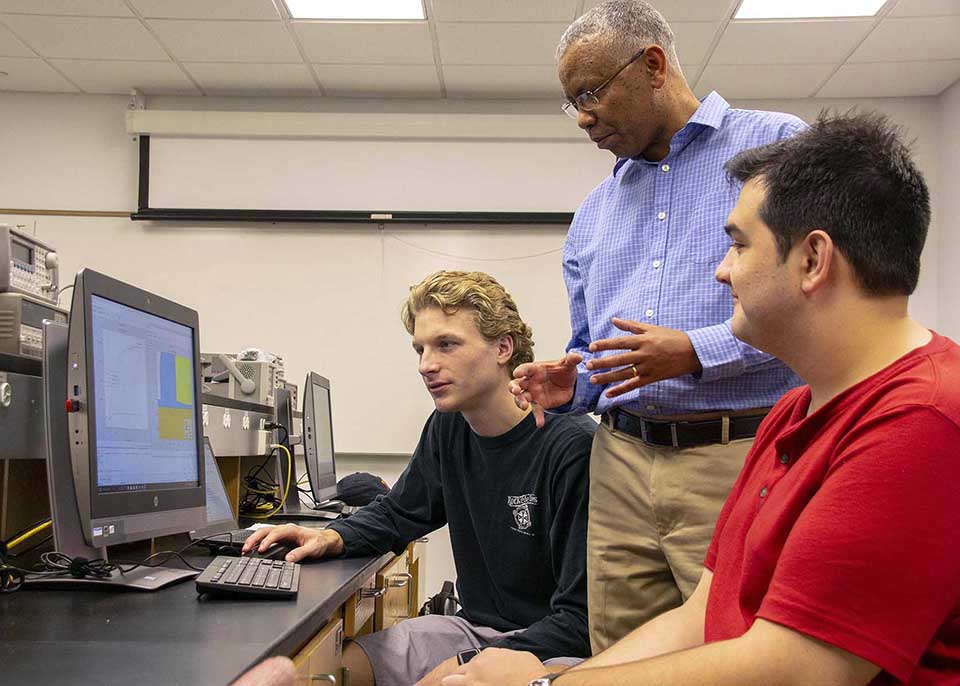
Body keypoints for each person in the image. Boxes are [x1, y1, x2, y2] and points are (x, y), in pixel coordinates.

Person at [444, 112, 960, 686]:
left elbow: (800, 668)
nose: (721, 272)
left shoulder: (922, 421)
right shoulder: (794, 414)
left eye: (738, 246)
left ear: (812, 260)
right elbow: (703, 616)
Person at [510, 0, 806, 651]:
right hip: (617, 460)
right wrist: (575, 380)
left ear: (652, 65)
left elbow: (813, 300)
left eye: (590, 93)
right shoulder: (594, 212)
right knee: (621, 653)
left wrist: (695, 353)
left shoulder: (775, 147)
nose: (582, 117)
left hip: (736, 453)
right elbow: (591, 346)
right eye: (571, 103)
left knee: (742, 647)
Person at [244, 271, 596, 686]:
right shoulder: (449, 427)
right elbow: (400, 512)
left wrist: (469, 663)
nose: (427, 365)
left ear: (503, 348)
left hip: (556, 651)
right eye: (420, 349)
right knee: (329, 671)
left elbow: (580, 620)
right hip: (471, 629)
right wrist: (332, 537)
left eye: (446, 344)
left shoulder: (572, 448)